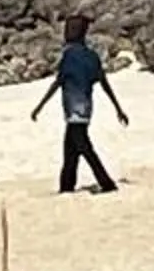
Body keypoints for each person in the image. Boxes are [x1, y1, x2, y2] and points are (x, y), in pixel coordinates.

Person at [29, 13, 127, 194]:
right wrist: (118, 109)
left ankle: (106, 182)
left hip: (73, 109)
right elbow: (104, 83)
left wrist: (39, 106)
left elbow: (58, 82)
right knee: (70, 150)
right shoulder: (91, 57)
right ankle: (66, 186)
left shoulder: (69, 57)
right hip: (86, 109)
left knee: (83, 147)